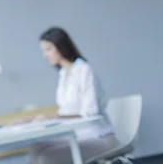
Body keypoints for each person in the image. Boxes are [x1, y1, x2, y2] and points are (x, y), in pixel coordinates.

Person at [29, 27, 119, 164]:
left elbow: (90, 112)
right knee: (36, 147)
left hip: (99, 137)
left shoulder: (84, 70)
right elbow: (65, 111)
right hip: (78, 136)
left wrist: (54, 116)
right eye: (43, 50)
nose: (45, 55)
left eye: (48, 49)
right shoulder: (63, 74)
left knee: (46, 158)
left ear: (61, 47)